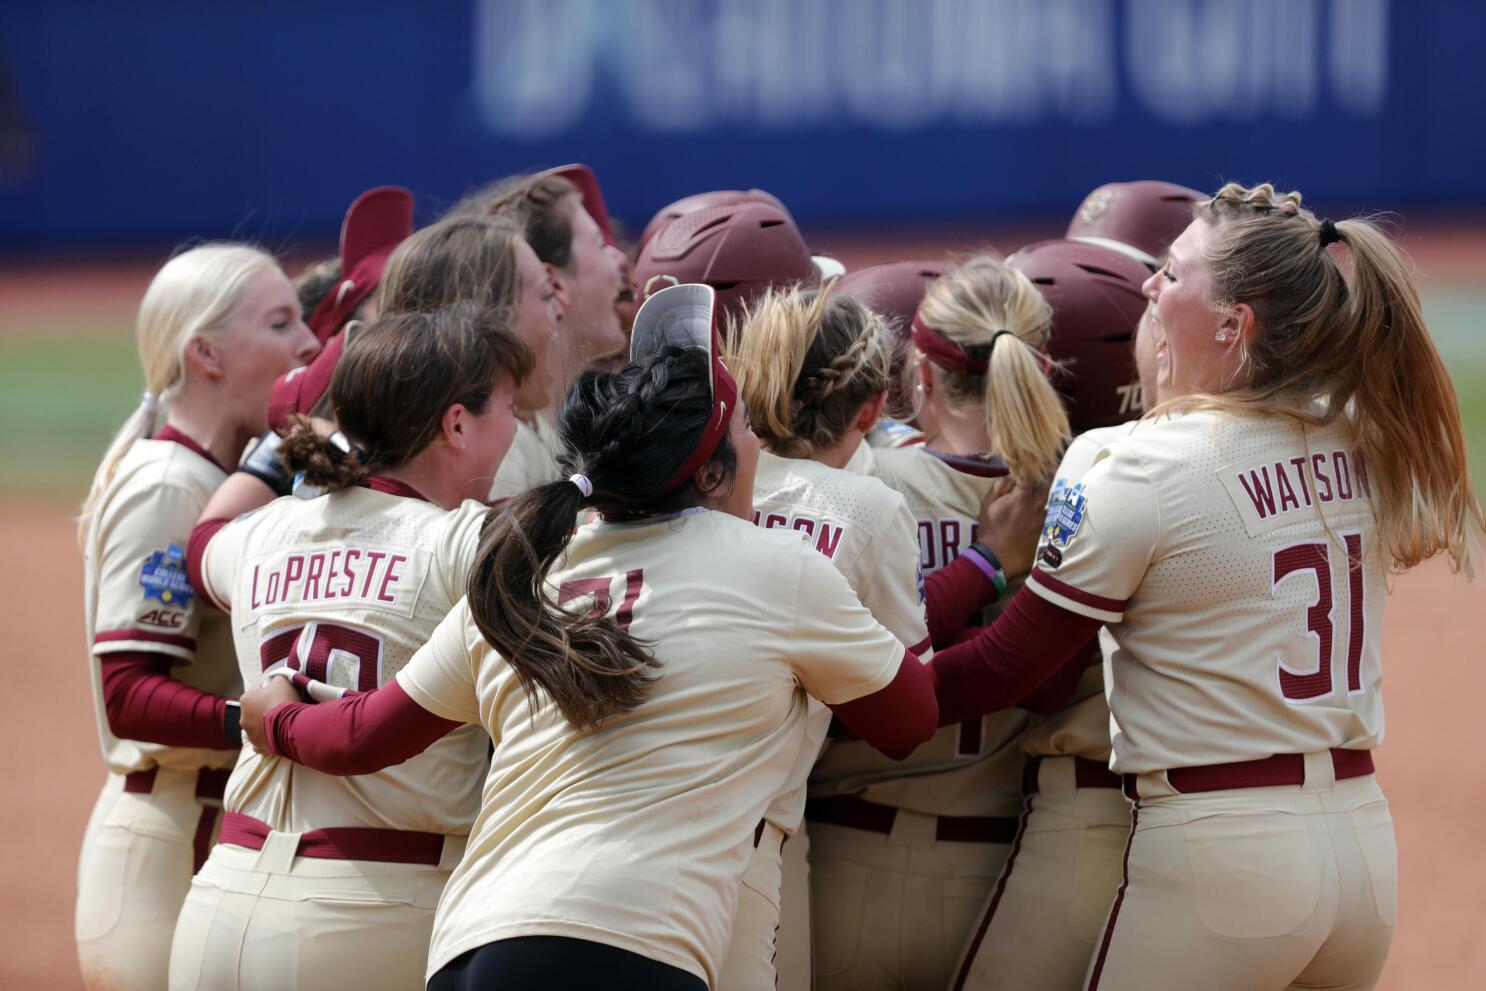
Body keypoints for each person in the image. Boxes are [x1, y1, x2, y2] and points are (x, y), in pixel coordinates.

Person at [236, 284, 943, 990]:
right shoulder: (781, 570)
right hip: (627, 946)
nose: (761, 444)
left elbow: (366, 734)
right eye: (747, 432)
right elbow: (910, 718)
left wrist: (278, 718)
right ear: (711, 471)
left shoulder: (523, 566)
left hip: (472, 943)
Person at [925, 183, 1484, 991]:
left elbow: (1006, 672)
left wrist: (868, 681)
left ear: (1234, 323)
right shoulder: (1361, 435)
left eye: (1174, 273)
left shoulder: (1138, 463)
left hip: (1222, 863)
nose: (1150, 285)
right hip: (1362, 856)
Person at [168, 304, 531, 991]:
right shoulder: (461, 544)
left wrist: (279, 451)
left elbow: (200, 543)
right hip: (372, 915)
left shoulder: (262, 531)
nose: (515, 427)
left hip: (217, 904)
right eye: (508, 407)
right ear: (457, 424)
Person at [728, 284, 1038, 991]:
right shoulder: (871, 500)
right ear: (873, 408)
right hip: (765, 843)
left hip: (604, 832)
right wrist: (986, 564)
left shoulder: (702, 479)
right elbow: (906, 713)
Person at [805, 253, 1071, 991]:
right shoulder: (1080, 488)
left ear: (919, 374)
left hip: (843, 856)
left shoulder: (855, 485)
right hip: (999, 875)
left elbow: (839, 668)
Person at [75, 244, 319, 990]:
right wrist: (243, 717)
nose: (307, 342)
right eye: (280, 323)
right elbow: (126, 692)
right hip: (167, 848)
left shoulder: (219, 483)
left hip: (205, 832)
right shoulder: (169, 486)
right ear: (205, 352)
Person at [948, 238, 1152, 991]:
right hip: (1204, 828)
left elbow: (1028, 678)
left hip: (1085, 824)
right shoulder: (1202, 454)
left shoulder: (1096, 486)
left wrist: (881, 681)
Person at [373, 214, 565, 500]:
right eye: (547, 295)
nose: (562, 308)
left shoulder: (527, 432)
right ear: (489, 320)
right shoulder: (496, 461)